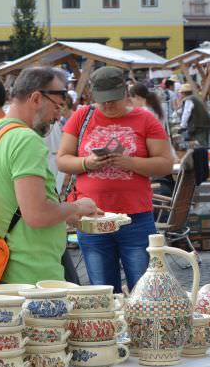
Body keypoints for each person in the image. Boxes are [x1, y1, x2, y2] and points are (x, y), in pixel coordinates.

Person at [57, 66, 173, 292]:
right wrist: (86, 163)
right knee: (103, 289)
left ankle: (142, 328)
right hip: (93, 218)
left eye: (113, 100)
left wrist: (130, 163)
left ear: (125, 93)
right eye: (102, 101)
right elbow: (62, 160)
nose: (108, 106)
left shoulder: (145, 119)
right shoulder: (82, 116)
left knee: (144, 289)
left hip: (135, 218)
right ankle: (109, 328)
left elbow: (165, 163)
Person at [0, 67, 99, 283]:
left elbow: (12, 202)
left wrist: (65, 214)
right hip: (32, 273)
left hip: (6, 267)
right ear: (35, 98)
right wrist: (77, 207)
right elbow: (37, 214)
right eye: (56, 106)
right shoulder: (26, 140)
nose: (57, 115)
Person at [178, 84, 210, 148]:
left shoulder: (189, 99)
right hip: (204, 124)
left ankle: (203, 157)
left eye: (181, 93)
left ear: (183, 93)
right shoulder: (194, 98)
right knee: (203, 144)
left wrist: (182, 126)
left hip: (200, 125)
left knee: (201, 145)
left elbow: (186, 113)